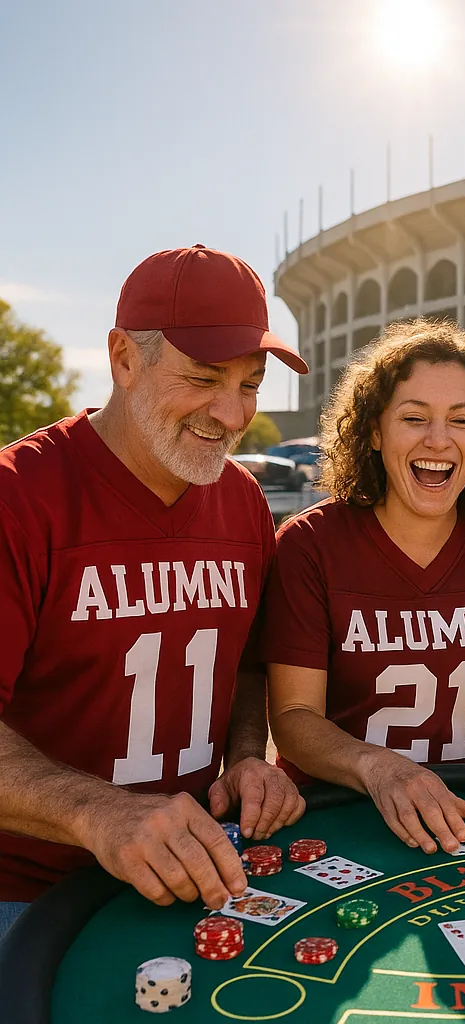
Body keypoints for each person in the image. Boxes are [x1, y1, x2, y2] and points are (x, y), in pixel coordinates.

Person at [0, 245, 307, 940]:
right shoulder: (19, 497)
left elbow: (247, 661)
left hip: (195, 872)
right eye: (203, 378)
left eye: (251, 384)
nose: (231, 415)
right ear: (124, 359)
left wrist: (247, 760)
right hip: (29, 893)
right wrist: (100, 812)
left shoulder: (244, 503)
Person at [263, 320, 465, 855]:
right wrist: (378, 767)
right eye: (413, 418)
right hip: (337, 817)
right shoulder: (309, 544)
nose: (439, 439)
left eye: (462, 419)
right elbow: (294, 718)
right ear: (375, 431)